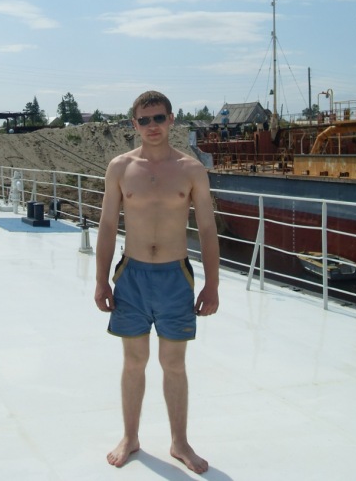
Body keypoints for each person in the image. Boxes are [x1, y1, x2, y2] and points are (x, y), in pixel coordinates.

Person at [95, 90, 220, 474]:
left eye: (159, 118)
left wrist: (212, 285)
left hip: (174, 276)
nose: (152, 126)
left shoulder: (191, 169)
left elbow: (207, 229)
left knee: (174, 363)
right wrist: (101, 281)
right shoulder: (120, 167)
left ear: (171, 120)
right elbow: (107, 225)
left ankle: (179, 442)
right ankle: (130, 437)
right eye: (145, 119)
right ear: (134, 124)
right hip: (131, 275)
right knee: (134, 361)